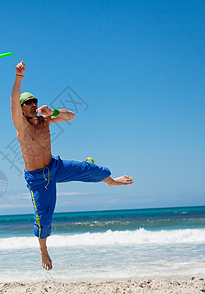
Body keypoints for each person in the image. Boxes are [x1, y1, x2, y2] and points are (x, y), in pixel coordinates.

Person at [11, 61, 134, 271]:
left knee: (90, 169)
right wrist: (19, 77)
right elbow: (13, 101)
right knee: (43, 217)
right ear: (22, 108)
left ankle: (111, 182)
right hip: (38, 178)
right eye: (28, 102)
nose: (33, 104)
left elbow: (71, 116)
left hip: (54, 166)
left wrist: (53, 111)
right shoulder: (20, 123)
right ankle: (43, 250)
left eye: (34, 101)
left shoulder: (44, 120)